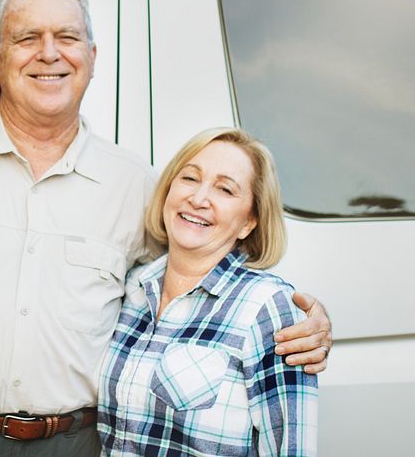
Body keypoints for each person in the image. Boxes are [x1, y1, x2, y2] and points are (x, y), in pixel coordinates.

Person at [0, 0, 330, 457]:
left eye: (67, 37)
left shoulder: (137, 184)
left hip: (77, 445)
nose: (50, 53)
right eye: (28, 37)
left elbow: (197, 283)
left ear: (90, 58)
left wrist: (303, 322)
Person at [98, 128, 318, 455]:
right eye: (189, 178)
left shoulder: (267, 308)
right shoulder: (131, 289)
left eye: (225, 189)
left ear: (249, 221)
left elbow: (290, 448)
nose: (199, 199)